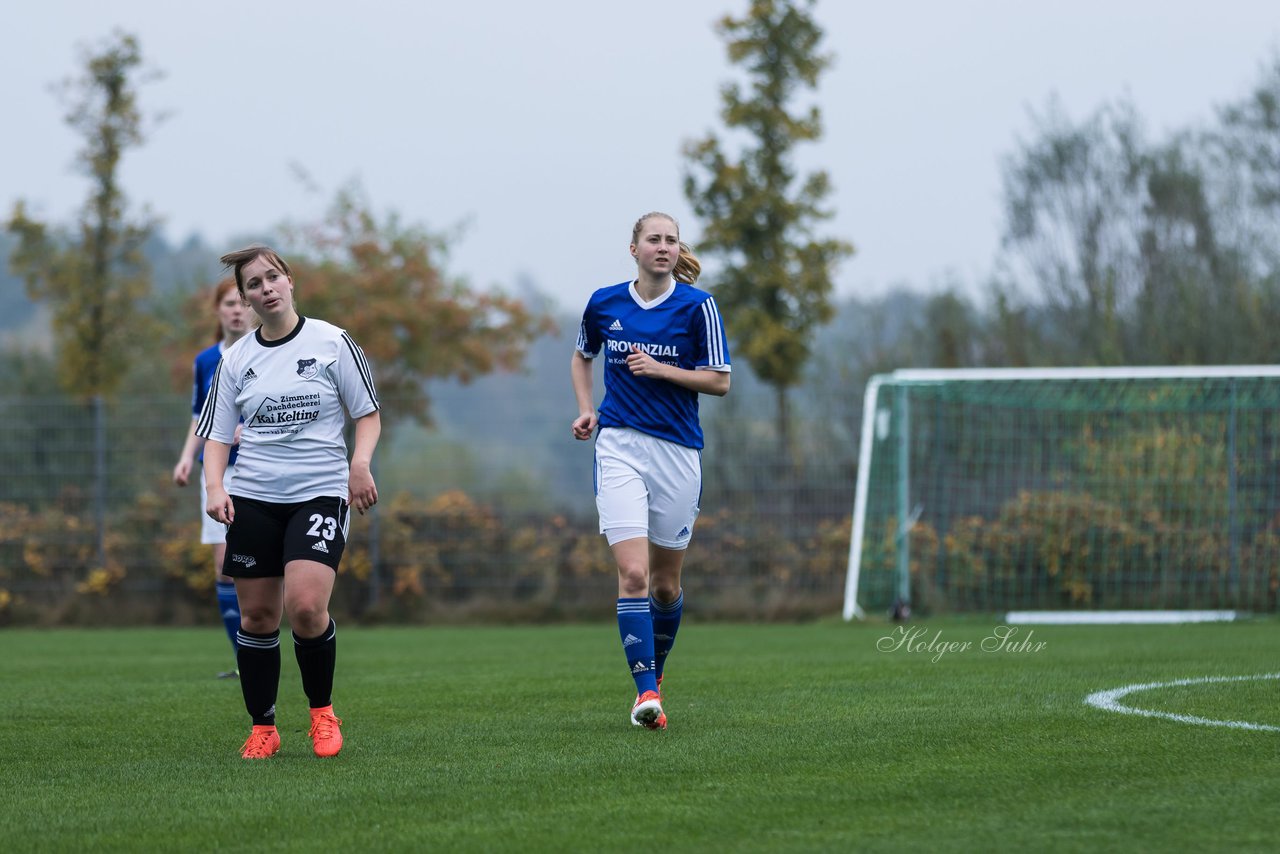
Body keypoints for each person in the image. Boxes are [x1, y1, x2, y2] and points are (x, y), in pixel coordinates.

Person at [197, 245, 381, 760]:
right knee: (256, 617)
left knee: (304, 607)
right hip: (253, 496)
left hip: (319, 492)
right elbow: (216, 434)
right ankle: (263, 727)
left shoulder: (333, 341)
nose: (265, 289)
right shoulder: (235, 360)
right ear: (247, 299)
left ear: (290, 280)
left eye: (272, 277)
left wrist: (359, 464)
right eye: (253, 285)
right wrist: (216, 488)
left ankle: (322, 714)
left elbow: (367, 414)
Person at [570, 211, 731, 730]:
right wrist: (586, 407)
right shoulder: (604, 302)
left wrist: (662, 369)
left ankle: (654, 679)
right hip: (617, 445)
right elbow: (582, 356)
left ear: (678, 250)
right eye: (653, 239)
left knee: (664, 585)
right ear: (634, 248)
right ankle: (645, 694)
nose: (663, 247)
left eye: (671, 240)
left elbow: (720, 381)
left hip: (678, 453)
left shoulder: (698, 307)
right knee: (634, 573)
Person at [172, 277, 251, 678]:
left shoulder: (266, 352)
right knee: (223, 565)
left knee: (256, 564)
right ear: (219, 311)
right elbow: (199, 418)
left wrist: (247, 432)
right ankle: (243, 659)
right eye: (229, 304)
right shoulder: (206, 361)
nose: (236, 310)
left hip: (260, 471)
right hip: (218, 472)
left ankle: (260, 645)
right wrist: (188, 456)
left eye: (242, 303)